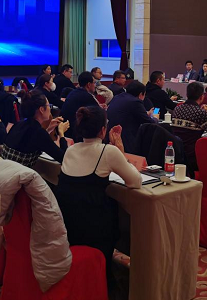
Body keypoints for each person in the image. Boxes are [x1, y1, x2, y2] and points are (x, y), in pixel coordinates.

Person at [56, 106, 141, 283]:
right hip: (96, 230)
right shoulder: (108, 151)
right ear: (103, 130)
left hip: (68, 224)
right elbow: (135, 182)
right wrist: (120, 151)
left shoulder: (71, 150)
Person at [2, 89, 69, 167]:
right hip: (17, 173)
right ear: (41, 109)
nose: (50, 109)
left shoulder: (19, 124)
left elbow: (34, 142)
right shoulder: (38, 132)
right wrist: (61, 133)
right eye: (48, 105)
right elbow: (64, 158)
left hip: (5, 169)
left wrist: (49, 129)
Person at [171, 82, 207, 171]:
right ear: (202, 97)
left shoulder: (177, 109)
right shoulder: (200, 113)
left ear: (187, 95)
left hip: (176, 153)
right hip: (192, 157)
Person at [106, 81, 156, 153]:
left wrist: (145, 114)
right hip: (125, 139)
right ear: (140, 94)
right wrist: (155, 119)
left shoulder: (117, 97)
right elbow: (149, 122)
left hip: (110, 136)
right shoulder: (135, 102)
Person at [60, 71, 99, 141]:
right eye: (94, 83)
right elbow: (99, 114)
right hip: (75, 134)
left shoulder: (73, 92)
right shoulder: (87, 96)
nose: (95, 85)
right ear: (89, 84)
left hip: (65, 130)